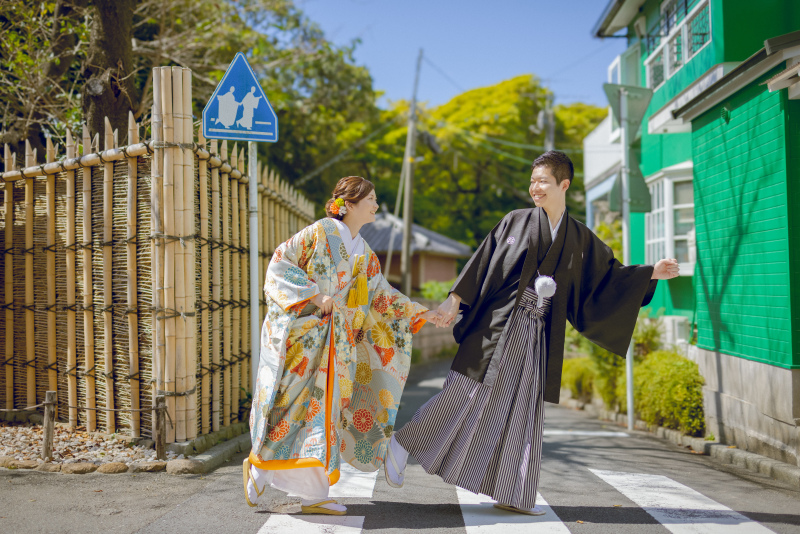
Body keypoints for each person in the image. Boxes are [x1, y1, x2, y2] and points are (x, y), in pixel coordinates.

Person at [385, 151, 679, 515]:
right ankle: (403, 442)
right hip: (499, 324)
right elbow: (484, 263)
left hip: (540, 331)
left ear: (564, 185)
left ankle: (511, 490)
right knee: (466, 393)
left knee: (521, 407)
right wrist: (453, 302)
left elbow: (607, 277)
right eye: (532, 180)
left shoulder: (580, 237)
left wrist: (649, 273)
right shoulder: (516, 221)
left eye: (542, 181)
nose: (534, 187)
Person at [244, 176, 443, 515]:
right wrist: (314, 295)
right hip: (306, 339)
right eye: (371, 200)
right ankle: (261, 465)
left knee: (325, 415)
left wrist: (423, 312)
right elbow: (280, 264)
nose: (377, 206)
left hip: (340, 345)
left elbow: (381, 294)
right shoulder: (318, 233)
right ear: (349, 204)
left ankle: (313, 494)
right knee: (290, 406)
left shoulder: (364, 252)